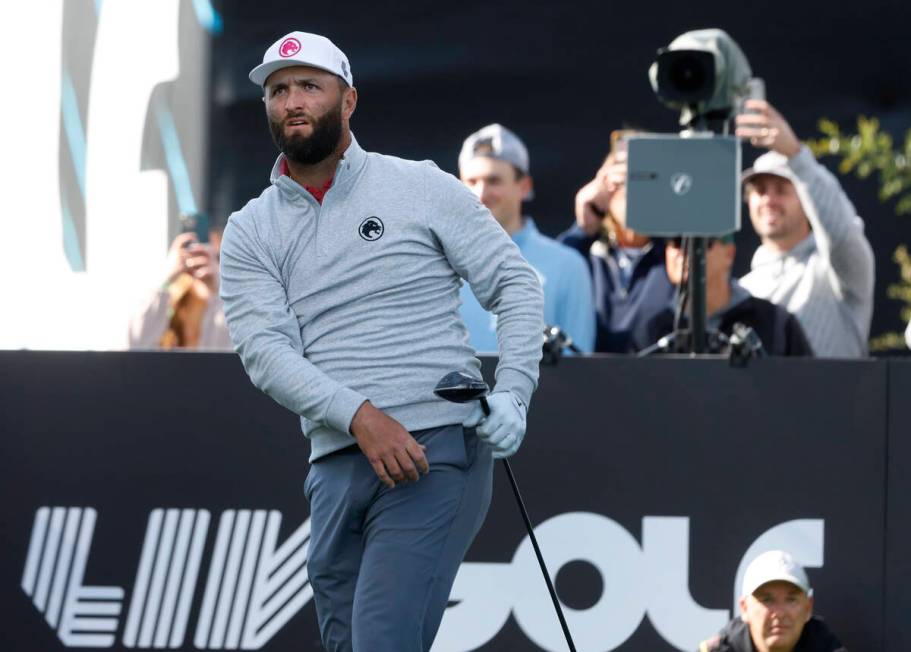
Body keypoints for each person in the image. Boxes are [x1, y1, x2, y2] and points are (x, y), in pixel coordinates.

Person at [218, 31, 543, 652]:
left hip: (434, 449)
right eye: (278, 90)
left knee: (382, 641)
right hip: (336, 462)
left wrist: (517, 390)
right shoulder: (249, 228)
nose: (291, 101)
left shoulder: (420, 185)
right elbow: (266, 354)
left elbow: (514, 284)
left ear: (349, 101)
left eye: (310, 86)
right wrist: (361, 417)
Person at [735, 100, 875, 358]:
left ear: (806, 200)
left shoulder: (835, 273)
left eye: (781, 190)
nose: (769, 200)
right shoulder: (742, 290)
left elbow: (842, 233)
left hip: (837, 399)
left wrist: (796, 156)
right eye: (760, 190)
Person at [457, 123, 595, 353]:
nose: (481, 194)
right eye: (471, 182)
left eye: (494, 181)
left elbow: (578, 371)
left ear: (524, 186)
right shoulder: (437, 264)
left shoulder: (568, 266)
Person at [559, 129, 675, 352]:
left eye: (648, 176)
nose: (635, 187)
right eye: (624, 176)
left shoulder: (675, 253)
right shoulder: (584, 253)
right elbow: (552, 289)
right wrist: (583, 228)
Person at [637, 235, 813, 356]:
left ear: (729, 253)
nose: (685, 251)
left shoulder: (776, 322)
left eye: (702, 242)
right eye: (676, 242)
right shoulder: (653, 329)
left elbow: (802, 392)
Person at [699, 550, 847, 652]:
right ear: (744, 608)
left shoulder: (826, 647)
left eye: (791, 600)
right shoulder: (720, 649)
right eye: (767, 600)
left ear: (808, 608)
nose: (780, 612)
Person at [127, 219, 231, 349]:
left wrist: (222, 290)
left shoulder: (230, 305)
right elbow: (135, 345)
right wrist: (165, 279)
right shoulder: (169, 302)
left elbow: (232, 351)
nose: (205, 260)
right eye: (197, 253)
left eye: (217, 257)